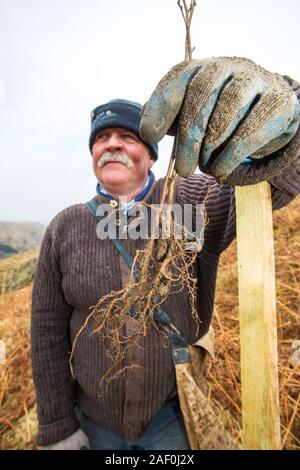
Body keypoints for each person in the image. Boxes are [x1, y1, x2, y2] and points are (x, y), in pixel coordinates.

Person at [31, 57, 300, 450]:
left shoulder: (192, 202)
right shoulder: (65, 226)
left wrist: (285, 118)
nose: (112, 145)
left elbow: (268, 181)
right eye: (101, 139)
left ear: (153, 155)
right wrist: (58, 427)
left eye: (127, 137)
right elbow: (46, 332)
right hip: (94, 423)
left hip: (170, 420)